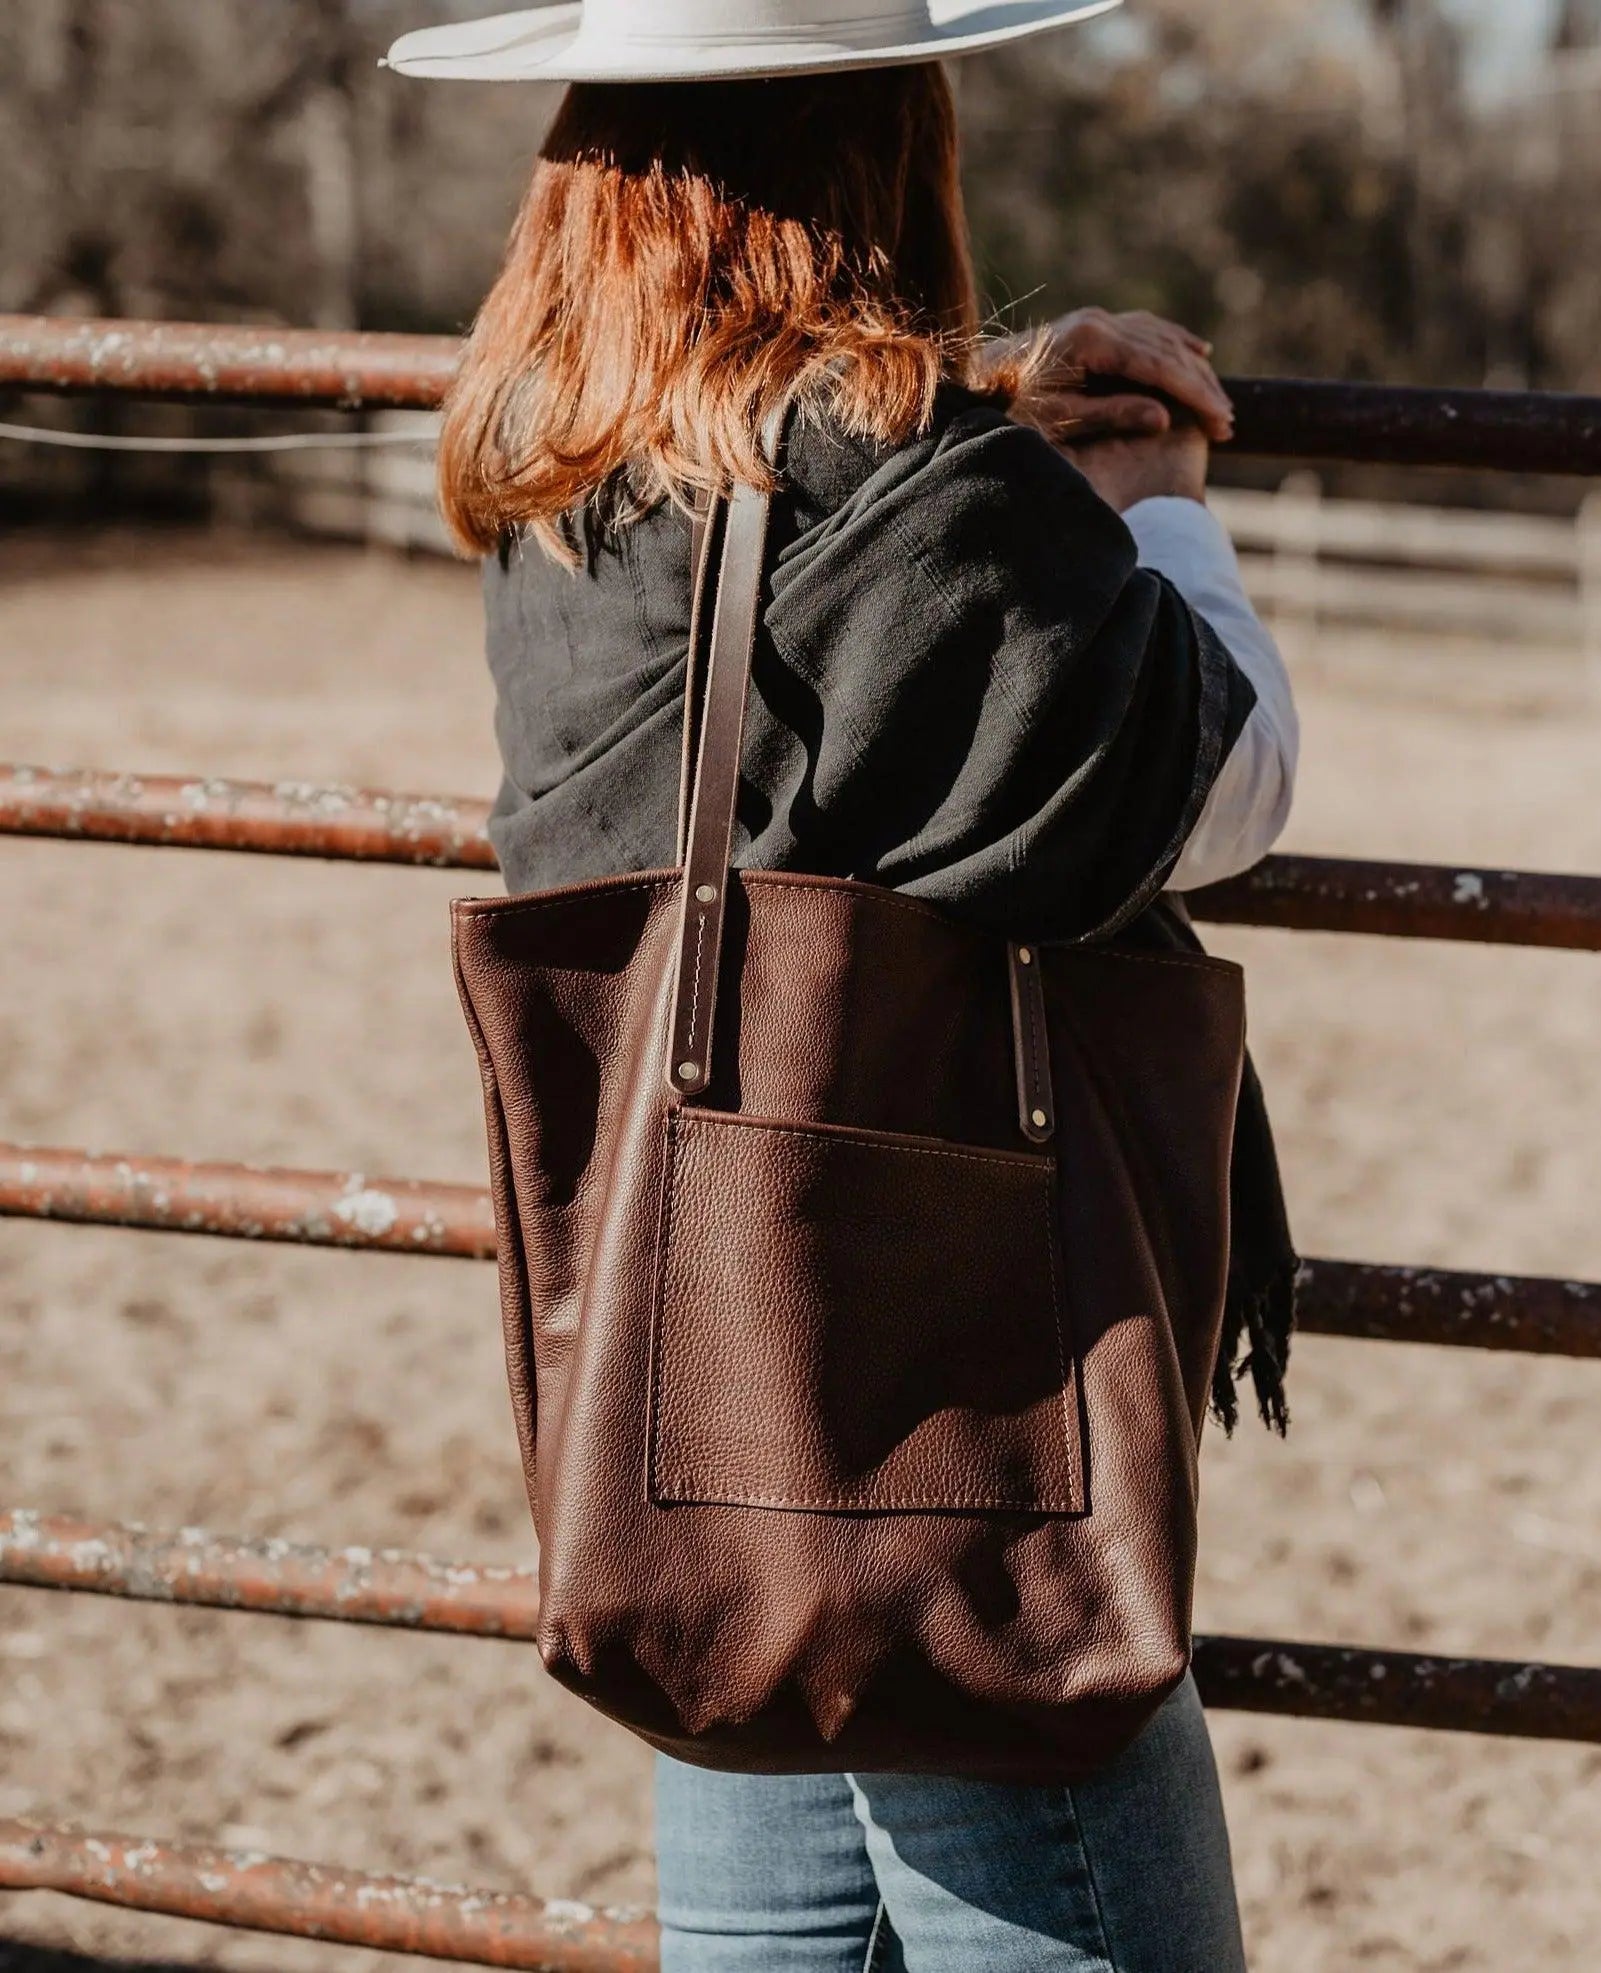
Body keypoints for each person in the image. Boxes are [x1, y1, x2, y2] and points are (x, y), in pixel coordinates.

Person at [391, 4, 1301, 1967]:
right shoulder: (926, 493)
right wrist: (1151, 497)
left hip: (702, 1361)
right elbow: (1216, 791)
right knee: (1041, 1770)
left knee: (771, 1817)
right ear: (894, 142)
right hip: (935, 1403)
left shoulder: (561, 475)